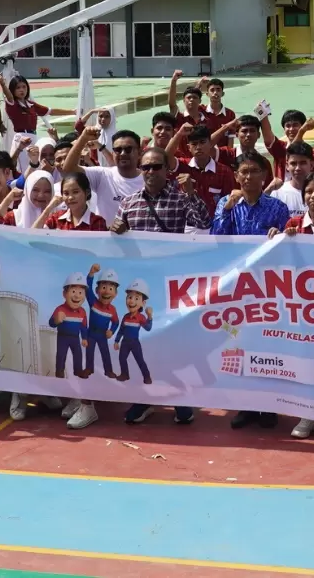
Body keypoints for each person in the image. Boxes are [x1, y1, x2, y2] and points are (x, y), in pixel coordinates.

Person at [112, 147, 208, 428]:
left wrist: (191, 194)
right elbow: (117, 246)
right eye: (146, 167)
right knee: (144, 344)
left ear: (167, 170)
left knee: (173, 343)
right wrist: (114, 229)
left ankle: (179, 397)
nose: (151, 172)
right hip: (141, 288)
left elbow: (204, 222)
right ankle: (145, 398)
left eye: (156, 167)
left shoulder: (180, 199)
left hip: (171, 286)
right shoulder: (128, 203)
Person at [65, 116, 144, 221]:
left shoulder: (149, 179)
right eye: (118, 150)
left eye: (128, 149)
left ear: (139, 153)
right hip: (105, 236)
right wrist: (83, 139)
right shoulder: (103, 175)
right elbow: (68, 169)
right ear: (113, 153)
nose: (123, 153)